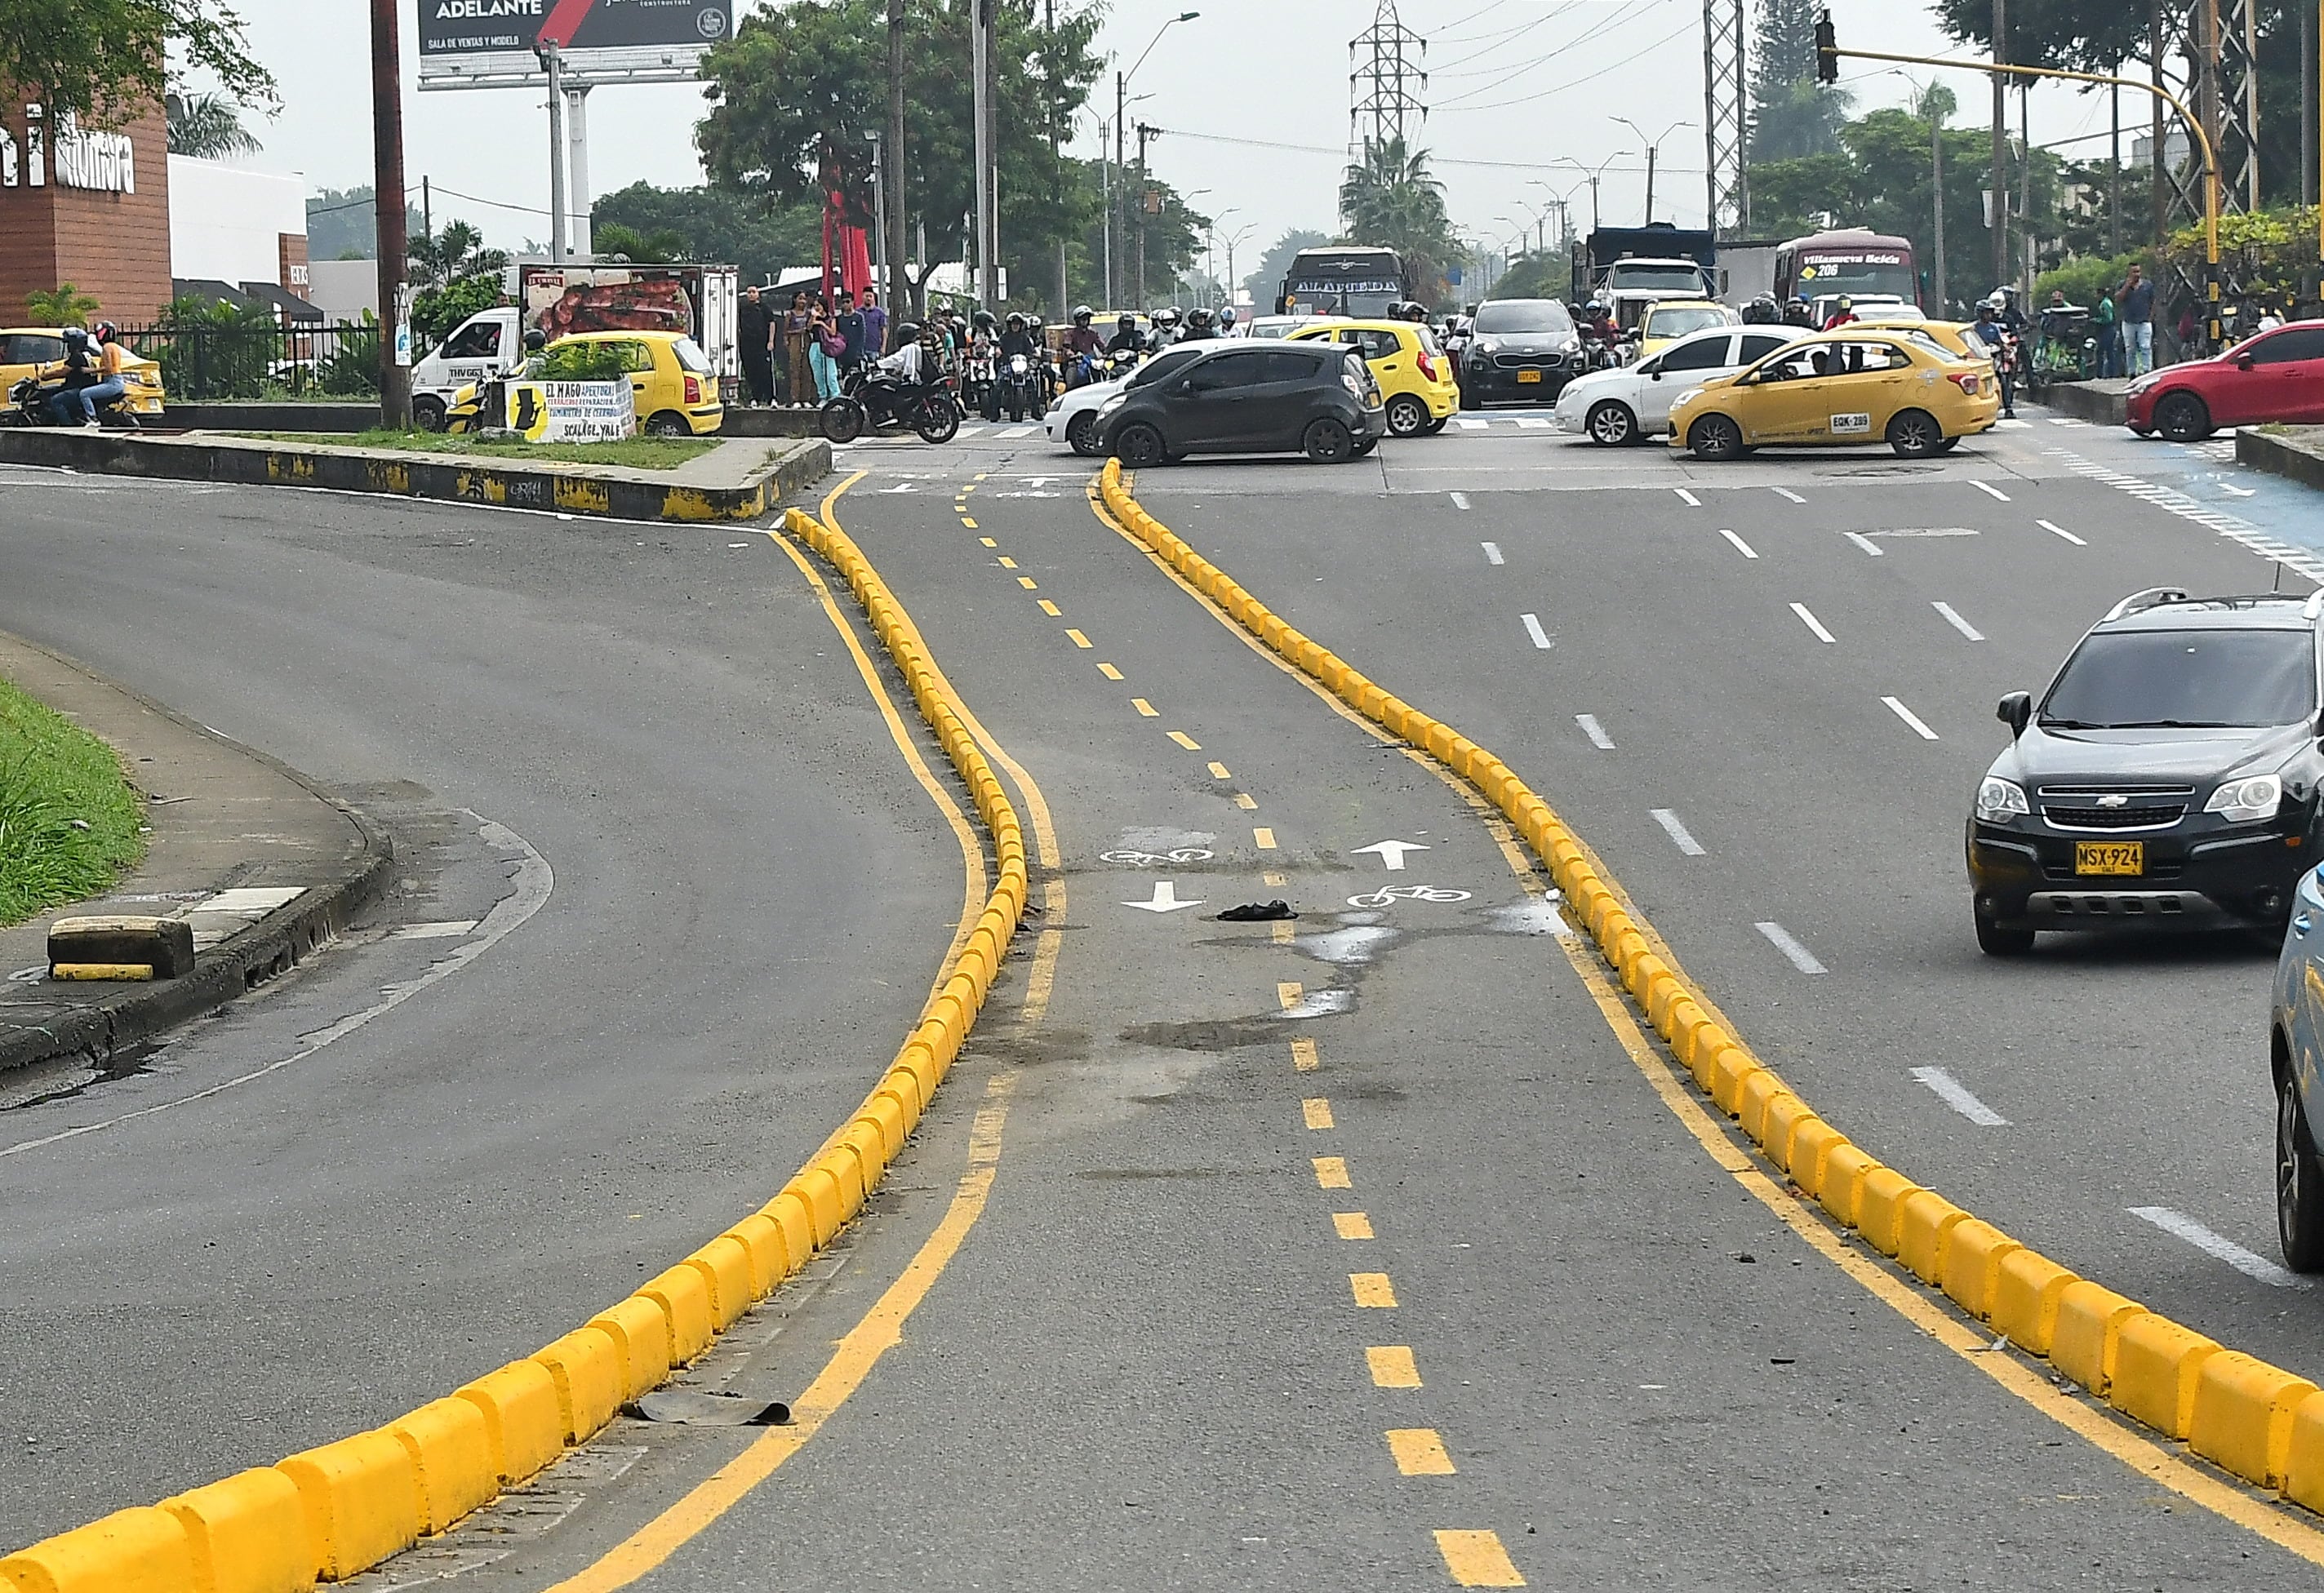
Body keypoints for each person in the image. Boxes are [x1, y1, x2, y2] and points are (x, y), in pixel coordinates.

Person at [1973, 299, 2016, 418]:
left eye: (1990, 313)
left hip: (1994, 358)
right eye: (1986, 313)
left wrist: (2007, 349)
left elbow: (2000, 342)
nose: (1988, 315)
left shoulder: (1994, 327)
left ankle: (2008, 408)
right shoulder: (1973, 328)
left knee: (2002, 380)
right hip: (1979, 360)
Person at [737, 286, 775, 406]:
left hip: (762, 344)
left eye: (754, 292)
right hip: (747, 344)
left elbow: (772, 323)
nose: (751, 294)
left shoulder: (765, 308)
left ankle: (771, 398)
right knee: (751, 372)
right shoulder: (742, 309)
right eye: (749, 292)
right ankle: (755, 397)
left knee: (765, 371)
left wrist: (771, 341)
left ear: (758, 294)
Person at [2120, 262, 2156, 375]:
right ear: (2129, 273)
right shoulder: (2122, 284)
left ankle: (2147, 370)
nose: (2137, 274)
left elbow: (2154, 301)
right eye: (2134, 272)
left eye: (2138, 271)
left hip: (2144, 321)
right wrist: (2127, 286)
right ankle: (2132, 372)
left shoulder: (2147, 285)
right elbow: (2118, 298)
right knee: (2130, 349)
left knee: (2145, 346)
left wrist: (2150, 317)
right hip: (2128, 322)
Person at [807, 296, 842, 403]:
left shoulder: (831, 318)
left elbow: (833, 332)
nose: (817, 308)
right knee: (818, 374)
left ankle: (835, 396)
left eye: (818, 305)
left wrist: (822, 324)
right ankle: (823, 396)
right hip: (815, 345)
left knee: (830, 374)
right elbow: (808, 328)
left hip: (827, 346)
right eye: (815, 305)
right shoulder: (813, 317)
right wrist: (813, 318)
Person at [781, 291, 814, 406]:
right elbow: (785, 331)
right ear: (795, 300)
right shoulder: (790, 314)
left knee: (807, 370)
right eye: (800, 298)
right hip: (795, 341)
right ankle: (795, 399)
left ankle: (806, 399)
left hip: (806, 340)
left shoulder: (809, 313)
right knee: (795, 370)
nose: (802, 301)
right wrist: (788, 342)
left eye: (804, 299)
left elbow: (811, 328)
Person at [833, 289, 868, 372]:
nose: (845, 304)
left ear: (852, 302)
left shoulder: (859, 317)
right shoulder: (838, 319)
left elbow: (862, 335)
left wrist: (860, 352)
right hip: (843, 355)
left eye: (848, 302)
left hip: (856, 355)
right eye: (843, 302)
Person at [2093, 287, 2120, 379]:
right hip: (2108, 330)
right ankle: (2111, 374)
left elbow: (2108, 318)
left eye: (2096, 294)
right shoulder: (2106, 302)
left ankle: (2101, 374)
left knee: (2103, 351)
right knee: (2109, 351)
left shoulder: (2105, 304)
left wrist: (2096, 320)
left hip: (2108, 329)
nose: (2095, 296)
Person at [858, 287, 889, 360]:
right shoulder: (857, 313)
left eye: (870, 296)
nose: (868, 298)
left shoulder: (880, 313)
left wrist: (883, 347)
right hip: (860, 350)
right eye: (867, 296)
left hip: (875, 349)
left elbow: (884, 331)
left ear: (873, 298)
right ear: (862, 297)